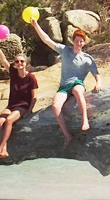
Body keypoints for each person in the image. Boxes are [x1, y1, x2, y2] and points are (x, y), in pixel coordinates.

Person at [30, 20, 102, 148]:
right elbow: (47, 40)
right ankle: (67, 135)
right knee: (56, 106)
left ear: (84, 43)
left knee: (77, 91)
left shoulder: (87, 58)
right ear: (73, 41)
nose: (78, 43)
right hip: (64, 86)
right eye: (76, 41)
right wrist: (36, 25)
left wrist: (98, 83)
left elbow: (97, 74)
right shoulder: (65, 50)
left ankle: (85, 120)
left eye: (81, 41)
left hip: (77, 83)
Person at [0, 41, 38, 160]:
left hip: (23, 106)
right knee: (0, 121)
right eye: (17, 61)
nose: (19, 63)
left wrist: (29, 111)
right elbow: (3, 60)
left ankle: (0, 148)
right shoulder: (13, 73)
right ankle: (4, 150)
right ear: (15, 64)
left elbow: (34, 97)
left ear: (26, 63)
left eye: (22, 61)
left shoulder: (31, 78)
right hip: (12, 105)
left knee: (9, 120)